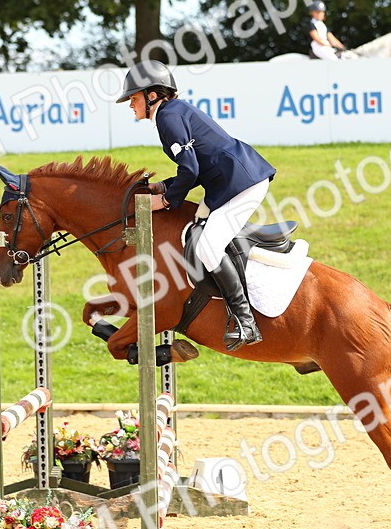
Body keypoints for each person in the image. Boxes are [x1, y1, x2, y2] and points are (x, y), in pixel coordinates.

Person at [117, 60, 275, 350]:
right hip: (227, 182)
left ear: (153, 95)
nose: (131, 105)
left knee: (208, 247)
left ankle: (245, 320)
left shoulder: (167, 117)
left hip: (240, 184)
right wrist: (163, 186)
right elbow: (192, 168)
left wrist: (165, 200)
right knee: (196, 233)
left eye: (134, 98)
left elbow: (189, 170)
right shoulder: (172, 113)